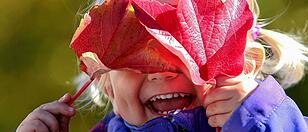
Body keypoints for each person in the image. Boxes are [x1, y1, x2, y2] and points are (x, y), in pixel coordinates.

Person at [17, 0, 308, 131]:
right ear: (106, 86)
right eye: (133, 54)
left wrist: (257, 119)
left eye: (181, 49)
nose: (158, 70)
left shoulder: (270, 123)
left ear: (244, 67)